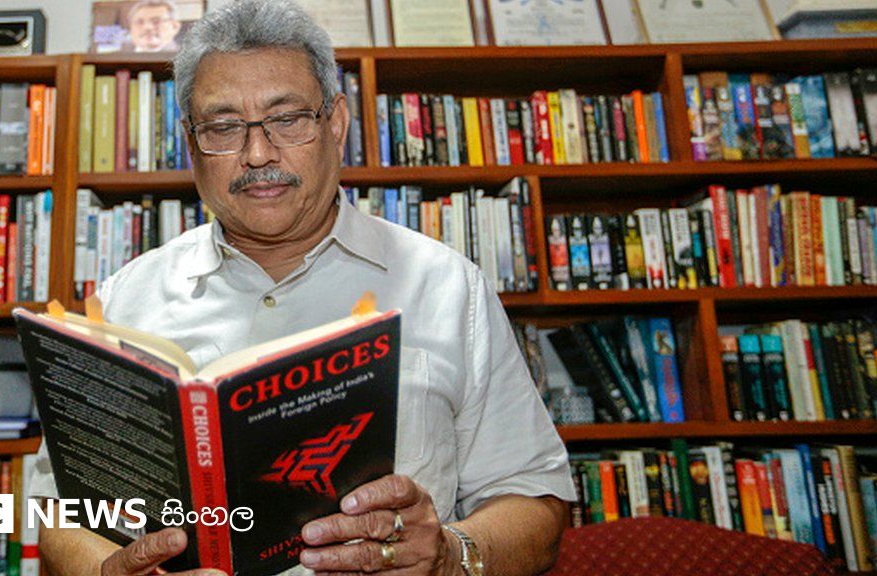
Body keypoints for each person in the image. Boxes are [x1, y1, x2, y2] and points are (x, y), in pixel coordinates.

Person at [34, 1, 575, 574]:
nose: (258, 154)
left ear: (336, 123)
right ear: (191, 144)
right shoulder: (126, 298)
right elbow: (58, 509)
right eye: (223, 127)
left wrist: (449, 554)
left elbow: (536, 502)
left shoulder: (448, 287)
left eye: (288, 119)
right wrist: (106, 570)